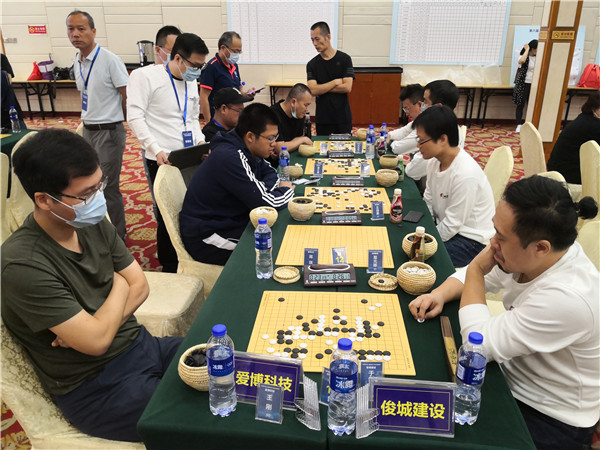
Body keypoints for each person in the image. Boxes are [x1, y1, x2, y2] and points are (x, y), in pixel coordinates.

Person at [1, 129, 183, 442]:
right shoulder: (21, 264)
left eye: (99, 185)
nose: (98, 197)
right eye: (86, 193)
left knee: (229, 361)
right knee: (207, 412)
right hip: (99, 388)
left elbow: (140, 285)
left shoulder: (88, 221)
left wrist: (102, 324)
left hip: (142, 346)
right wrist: (120, 285)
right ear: (44, 199)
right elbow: (97, 342)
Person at [408, 176, 599, 450]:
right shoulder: (537, 253)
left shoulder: (567, 298)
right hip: (510, 372)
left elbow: (477, 345)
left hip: (547, 413)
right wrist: (439, 294)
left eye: (500, 236)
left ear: (541, 247)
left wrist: (476, 269)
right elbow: (481, 278)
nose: (491, 241)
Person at [127, 33, 209, 273]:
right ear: (178, 58)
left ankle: (188, 255)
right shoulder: (145, 77)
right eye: (195, 65)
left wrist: (201, 142)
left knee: (190, 206)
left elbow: (192, 118)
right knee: (167, 213)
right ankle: (169, 264)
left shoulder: (190, 81)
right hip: (161, 158)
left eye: (201, 66)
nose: (197, 71)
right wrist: (155, 149)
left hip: (189, 155)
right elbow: (135, 117)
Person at [180, 103, 295, 266]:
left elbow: (270, 173)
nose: (273, 144)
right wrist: (285, 190)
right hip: (207, 235)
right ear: (250, 136)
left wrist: (260, 189)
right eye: (270, 138)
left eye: (275, 138)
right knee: (272, 248)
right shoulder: (230, 157)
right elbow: (266, 204)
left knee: (278, 234)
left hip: (230, 220)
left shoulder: (248, 148)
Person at [67, 10, 129, 241]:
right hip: (88, 130)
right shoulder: (78, 60)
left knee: (107, 186)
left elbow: (127, 95)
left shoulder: (110, 60)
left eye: (81, 29)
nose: (75, 34)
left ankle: (117, 236)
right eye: (71, 29)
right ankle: (97, 230)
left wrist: (121, 124)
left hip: (109, 131)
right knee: (88, 184)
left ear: (93, 31)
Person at [413, 105, 495, 267]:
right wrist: (422, 231)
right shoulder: (433, 163)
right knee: (410, 243)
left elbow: (452, 224)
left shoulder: (465, 174)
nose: (418, 146)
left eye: (422, 141)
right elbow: (428, 201)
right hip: (447, 228)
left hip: (471, 241)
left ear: (443, 139)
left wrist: (425, 242)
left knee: (417, 256)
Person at [405, 79, 462, 182]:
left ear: (438, 106)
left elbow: (413, 171)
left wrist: (410, 165)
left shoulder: (437, 131)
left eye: (425, 101)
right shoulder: (443, 124)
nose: (422, 104)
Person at [306, 21, 354, 136]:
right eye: (312, 40)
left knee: (345, 146)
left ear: (328, 37)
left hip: (343, 117)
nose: (314, 43)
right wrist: (335, 82)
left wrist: (321, 88)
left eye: (317, 39)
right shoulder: (312, 64)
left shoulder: (345, 59)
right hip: (323, 119)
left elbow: (347, 87)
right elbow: (312, 90)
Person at [547, 91, 600, 184]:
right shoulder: (593, 125)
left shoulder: (585, 117)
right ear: (594, 107)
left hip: (557, 168)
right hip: (566, 174)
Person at [200, 31, 246, 122]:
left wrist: (247, 94)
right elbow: (203, 97)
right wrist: (209, 123)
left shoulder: (234, 66)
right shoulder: (212, 67)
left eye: (239, 52)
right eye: (235, 51)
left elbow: (238, 90)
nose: (237, 55)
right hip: (218, 118)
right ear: (223, 48)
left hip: (234, 117)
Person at [269, 83, 314, 153]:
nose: (307, 109)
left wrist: (296, 142)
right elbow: (280, 148)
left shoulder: (298, 114)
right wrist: (301, 140)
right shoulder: (273, 115)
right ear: (293, 102)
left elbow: (298, 139)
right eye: (305, 105)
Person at [389, 83, 424, 155]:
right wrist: (389, 135)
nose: (406, 114)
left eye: (407, 108)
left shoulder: (426, 124)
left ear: (419, 105)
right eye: (405, 109)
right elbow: (403, 132)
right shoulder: (419, 120)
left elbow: (398, 148)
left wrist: (393, 141)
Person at [513, 39, 538, 132]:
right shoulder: (523, 56)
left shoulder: (538, 58)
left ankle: (530, 124)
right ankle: (519, 125)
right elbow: (522, 61)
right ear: (533, 48)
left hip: (533, 84)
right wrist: (527, 49)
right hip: (523, 84)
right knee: (521, 104)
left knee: (531, 105)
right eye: (536, 48)